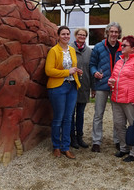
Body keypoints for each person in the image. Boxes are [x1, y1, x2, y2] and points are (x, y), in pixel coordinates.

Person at [108, 35, 134, 162]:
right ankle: (124, 147)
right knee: (119, 124)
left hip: (131, 100)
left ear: (133, 48)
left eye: (124, 45)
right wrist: (111, 82)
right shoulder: (119, 61)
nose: (122, 47)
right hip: (117, 98)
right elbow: (114, 77)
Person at [45, 26, 82, 159]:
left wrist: (76, 71)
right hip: (58, 87)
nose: (66, 36)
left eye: (68, 34)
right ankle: (56, 146)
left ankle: (66, 147)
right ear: (58, 36)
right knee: (58, 118)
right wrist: (68, 72)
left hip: (71, 86)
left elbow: (72, 67)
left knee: (68, 118)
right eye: (63, 34)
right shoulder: (53, 51)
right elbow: (49, 71)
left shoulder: (72, 50)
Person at [89, 22, 122, 152]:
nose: (114, 34)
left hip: (117, 85)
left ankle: (118, 140)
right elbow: (92, 64)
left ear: (119, 33)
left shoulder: (123, 47)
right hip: (102, 84)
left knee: (118, 115)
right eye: (112, 31)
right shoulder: (98, 47)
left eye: (116, 32)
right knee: (98, 114)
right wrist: (94, 72)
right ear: (107, 32)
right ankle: (96, 141)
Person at [69, 28, 92, 149]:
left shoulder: (89, 51)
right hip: (72, 85)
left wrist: (92, 87)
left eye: (84, 35)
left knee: (81, 114)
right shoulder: (69, 49)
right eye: (80, 35)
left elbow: (90, 69)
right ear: (76, 35)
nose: (82, 37)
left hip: (84, 86)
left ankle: (80, 137)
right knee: (71, 113)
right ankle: (71, 137)